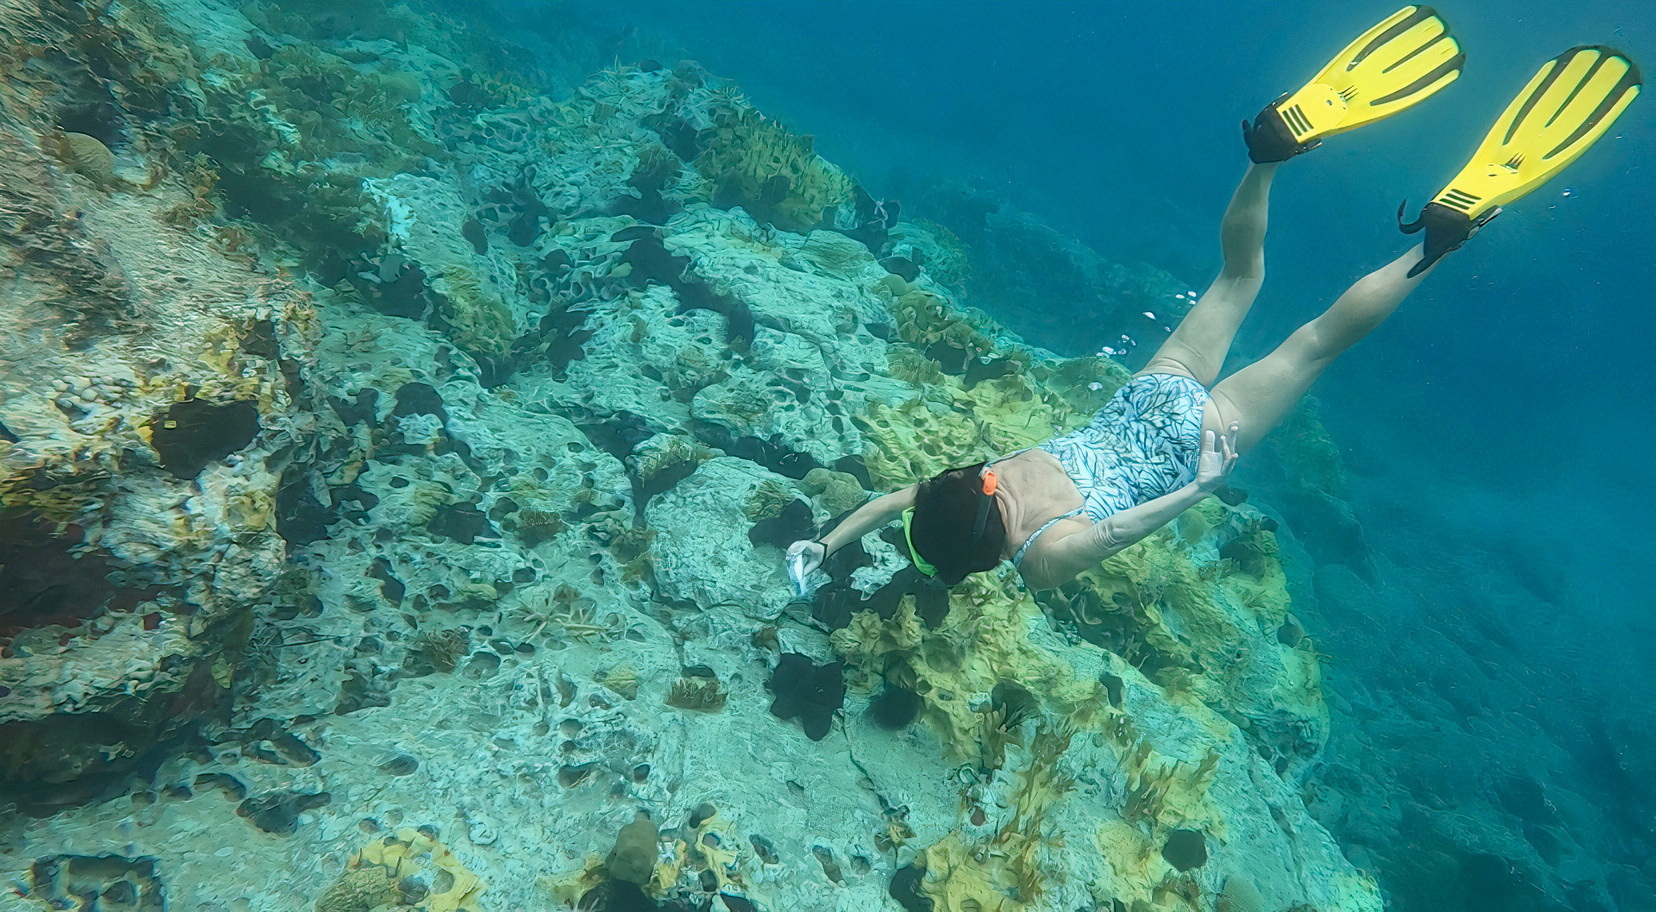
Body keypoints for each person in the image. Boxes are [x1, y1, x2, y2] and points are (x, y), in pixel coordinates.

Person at [788, 7, 1641, 593]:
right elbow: (892, 503)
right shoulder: (970, 482)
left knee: (1312, 345)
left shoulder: (1036, 560)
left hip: (1191, 443)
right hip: (1145, 399)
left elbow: (1121, 531)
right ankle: (1267, 154)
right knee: (1238, 277)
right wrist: (825, 542)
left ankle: (1437, 241)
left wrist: (1201, 487)